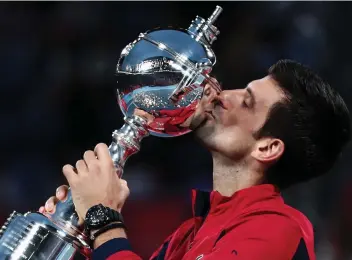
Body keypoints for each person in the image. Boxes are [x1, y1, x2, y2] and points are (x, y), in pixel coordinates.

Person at [39, 60, 350, 259]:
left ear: (267, 148)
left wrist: (103, 220)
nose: (222, 94)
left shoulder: (279, 229)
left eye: (246, 101)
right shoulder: (190, 232)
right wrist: (72, 236)